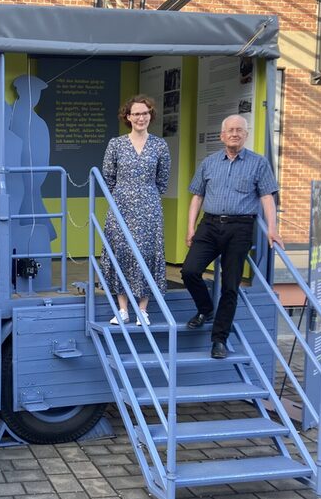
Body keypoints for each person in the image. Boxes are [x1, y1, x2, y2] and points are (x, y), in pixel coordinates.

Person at [181, 114, 283, 360]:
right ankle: (205, 309)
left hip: (240, 228)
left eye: (239, 130)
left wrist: (272, 228)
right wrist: (190, 227)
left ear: (246, 135)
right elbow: (197, 196)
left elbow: (267, 196)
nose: (235, 133)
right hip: (210, 225)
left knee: (230, 285)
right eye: (230, 130)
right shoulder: (209, 163)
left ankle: (219, 339)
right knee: (189, 271)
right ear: (222, 136)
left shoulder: (258, 163)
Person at [100, 95, 171, 326]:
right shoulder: (116, 144)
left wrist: (145, 196)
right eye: (136, 114)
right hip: (121, 205)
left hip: (149, 207)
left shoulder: (160, 145)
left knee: (147, 253)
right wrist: (124, 195)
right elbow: (108, 177)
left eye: (145, 113)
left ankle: (143, 309)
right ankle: (123, 309)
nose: (141, 118)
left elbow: (163, 180)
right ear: (128, 117)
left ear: (151, 115)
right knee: (122, 252)